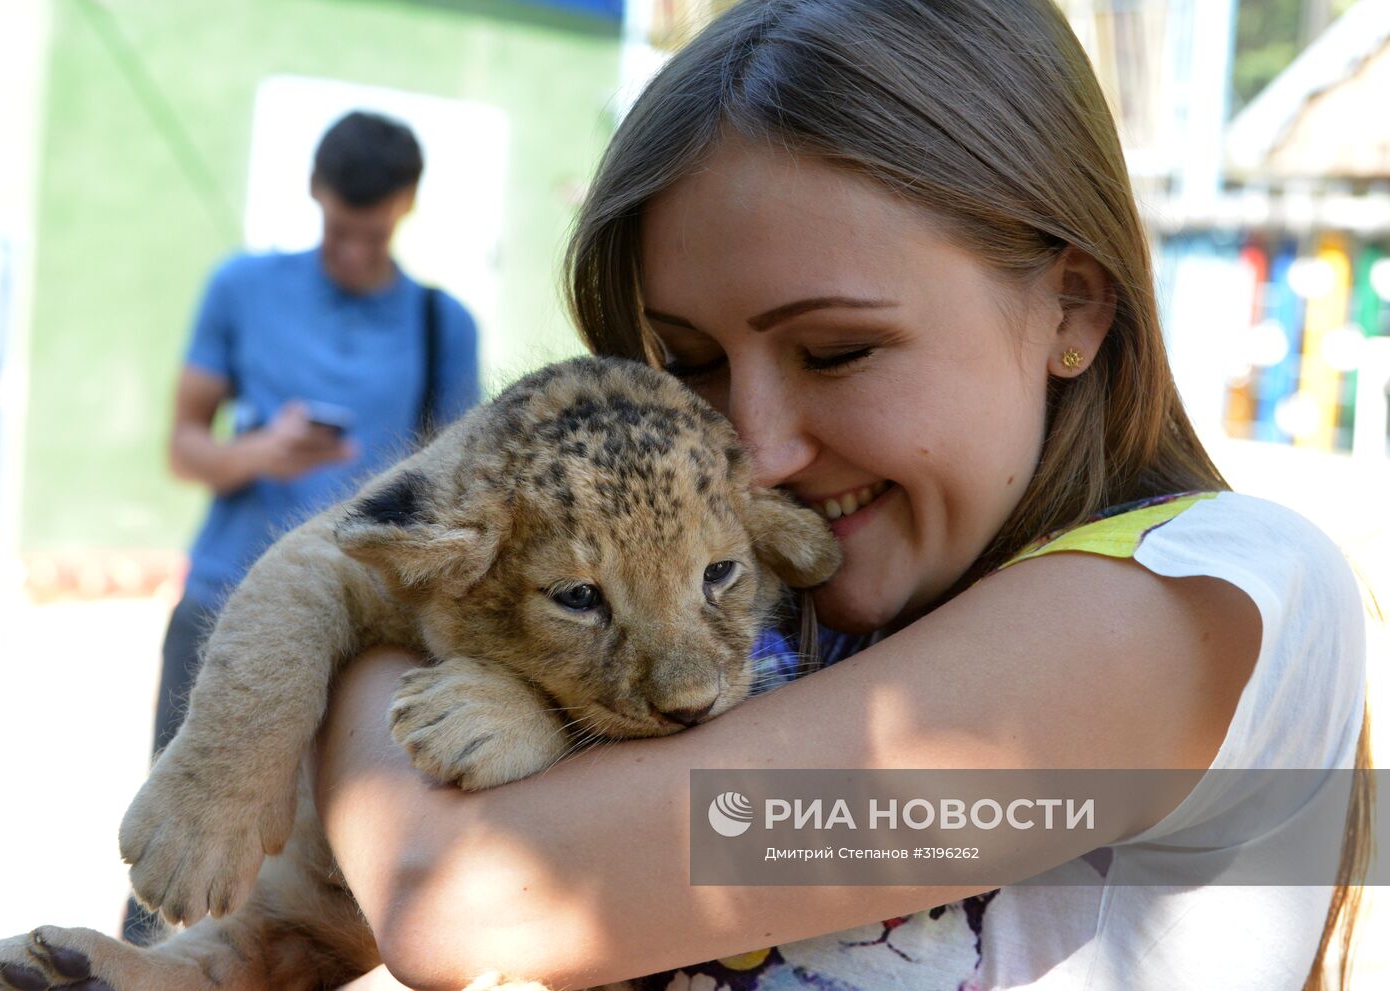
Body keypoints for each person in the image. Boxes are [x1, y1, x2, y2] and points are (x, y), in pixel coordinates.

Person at [314, 2, 1370, 988]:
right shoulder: (762, 612)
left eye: (836, 351)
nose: (754, 450)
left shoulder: (1191, 596)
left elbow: (456, 890)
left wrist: (361, 628)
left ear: (1073, 311)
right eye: (686, 364)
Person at [127, 110, 480, 944]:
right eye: (337, 228)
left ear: (407, 205)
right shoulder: (240, 289)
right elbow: (183, 446)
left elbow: (462, 496)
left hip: (359, 634)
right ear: (315, 194)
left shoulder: (442, 325)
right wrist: (258, 453)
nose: (354, 249)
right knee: (181, 847)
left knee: (311, 898)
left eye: (374, 229)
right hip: (226, 612)